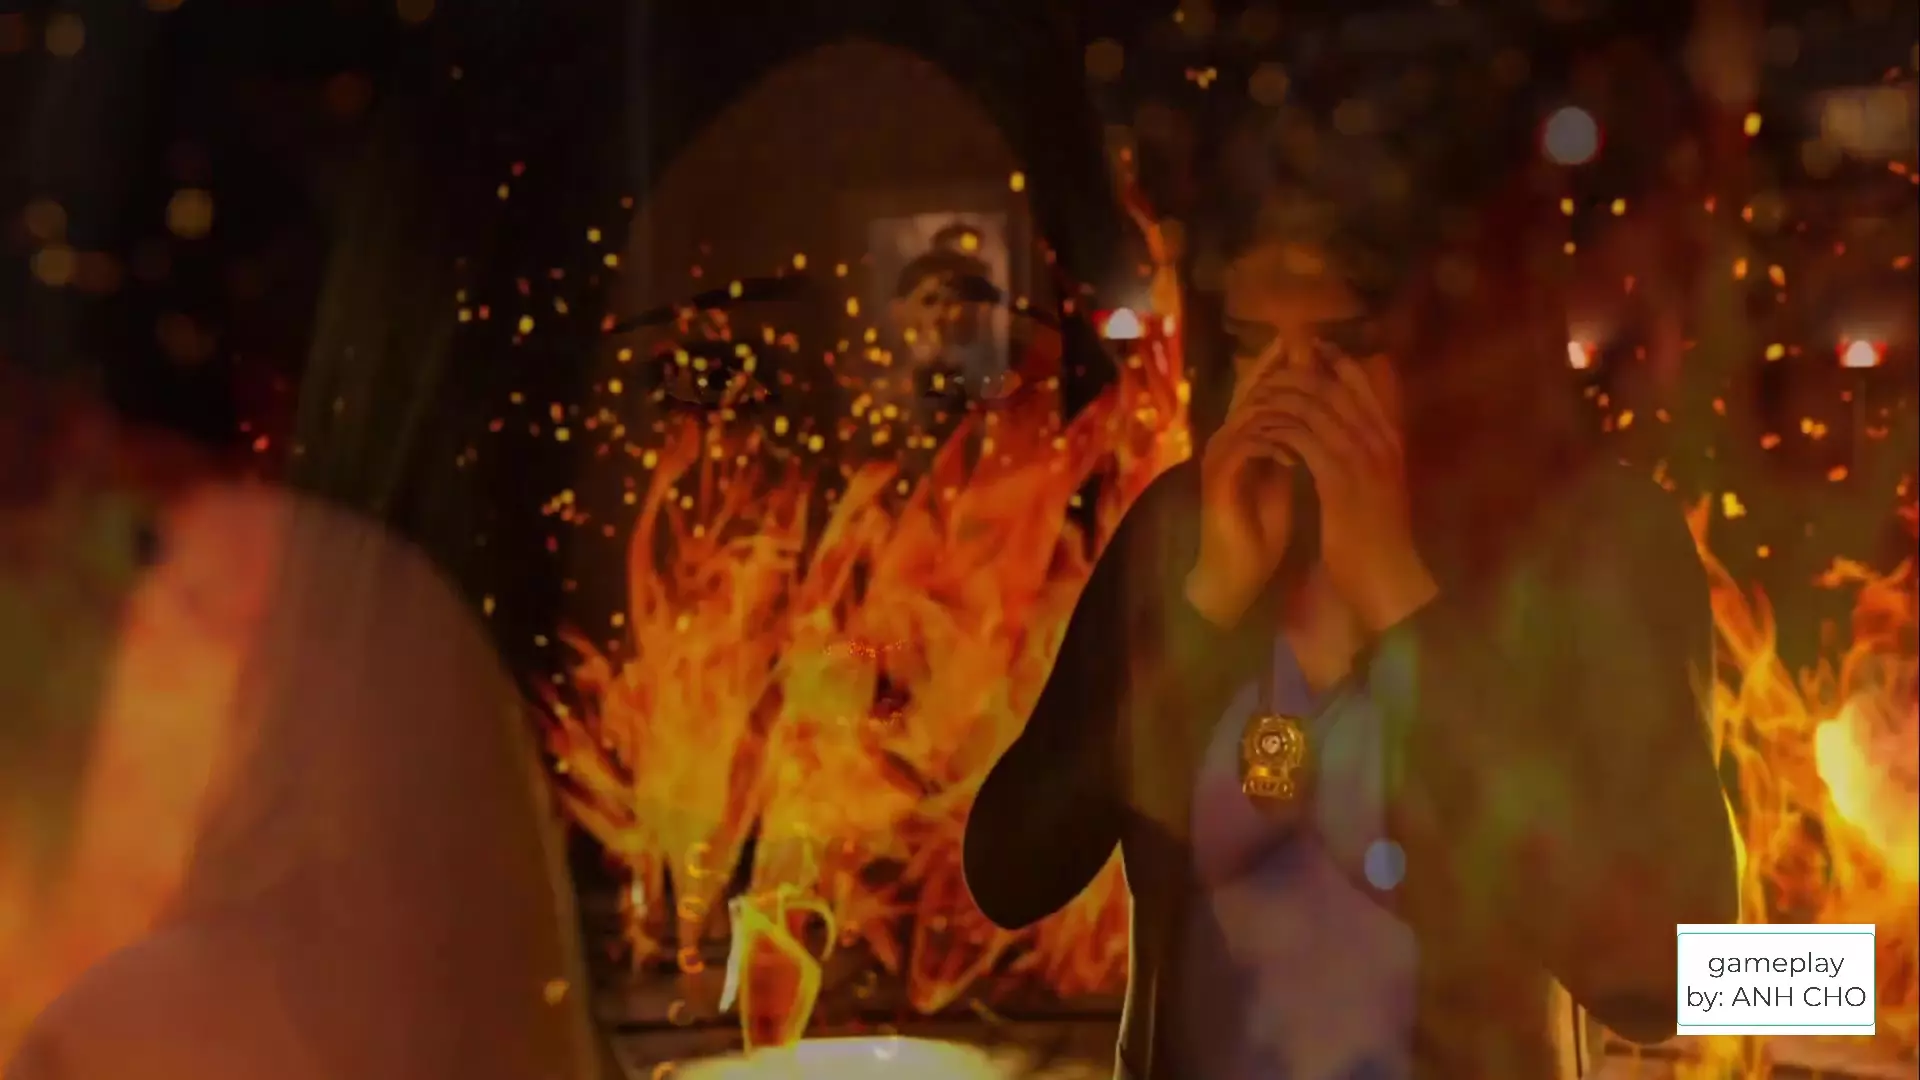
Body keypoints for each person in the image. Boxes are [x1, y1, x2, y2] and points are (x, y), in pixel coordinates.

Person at [962, 186, 1740, 1077]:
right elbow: (1010, 873)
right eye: (1254, 344)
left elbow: (1675, 975)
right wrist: (1201, 613)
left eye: (1345, 345)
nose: (1291, 384)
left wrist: (1405, 606)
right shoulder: (1184, 531)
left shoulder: (1593, 544)